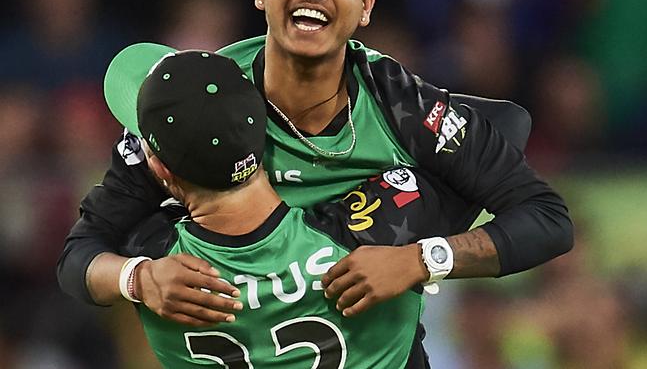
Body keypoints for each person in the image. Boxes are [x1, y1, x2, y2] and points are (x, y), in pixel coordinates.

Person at [57, 0, 573, 361]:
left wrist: (421, 259)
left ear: (365, 4)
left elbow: (546, 216)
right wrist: (139, 278)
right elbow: (80, 253)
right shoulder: (199, 106)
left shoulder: (396, 103)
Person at [103, 44, 481, 367]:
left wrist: (134, 279)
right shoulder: (373, 233)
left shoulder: (149, 254)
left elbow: (83, 249)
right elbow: (506, 131)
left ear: (159, 169)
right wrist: (424, 257)